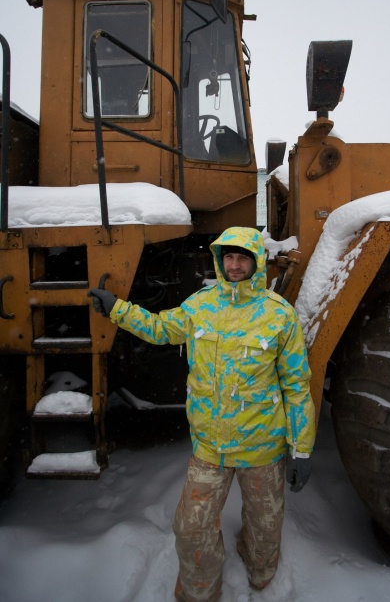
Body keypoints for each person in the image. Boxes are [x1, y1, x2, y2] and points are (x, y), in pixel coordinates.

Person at [89, 226, 315, 602]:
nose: (235, 264)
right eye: (229, 256)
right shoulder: (201, 305)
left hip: (262, 447)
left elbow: (296, 386)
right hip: (210, 447)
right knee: (191, 529)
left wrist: (301, 449)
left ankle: (260, 573)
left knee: (265, 531)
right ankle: (200, 590)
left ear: (257, 262)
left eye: (243, 257)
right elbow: (161, 329)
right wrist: (117, 309)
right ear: (220, 259)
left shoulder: (280, 317)